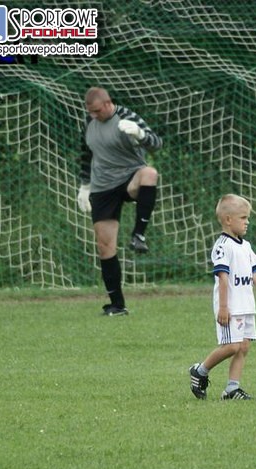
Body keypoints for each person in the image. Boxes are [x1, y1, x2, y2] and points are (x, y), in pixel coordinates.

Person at [76, 87, 162, 316]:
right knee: (105, 247)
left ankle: (138, 235)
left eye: (97, 111)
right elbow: (85, 154)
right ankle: (117, 305)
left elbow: (156, 143)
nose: (93, 115)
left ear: (108, 103)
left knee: (150, 173)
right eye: (90, 111)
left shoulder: (127, 117)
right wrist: (84, 185)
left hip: (129, 178)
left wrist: (140, 134)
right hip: (103, 186)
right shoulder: (89, 122)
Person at [189, 194, 256, 400]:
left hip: (247, 305)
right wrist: (223, 307)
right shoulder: (222, 246)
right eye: (243, 218)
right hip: (231, 306)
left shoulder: (245, 246)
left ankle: (231, 389)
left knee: (243, 347)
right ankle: (199, 371)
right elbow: (223, 278)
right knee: (232, 346)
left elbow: (255, 272)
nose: (247, 222)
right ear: (228, 220)